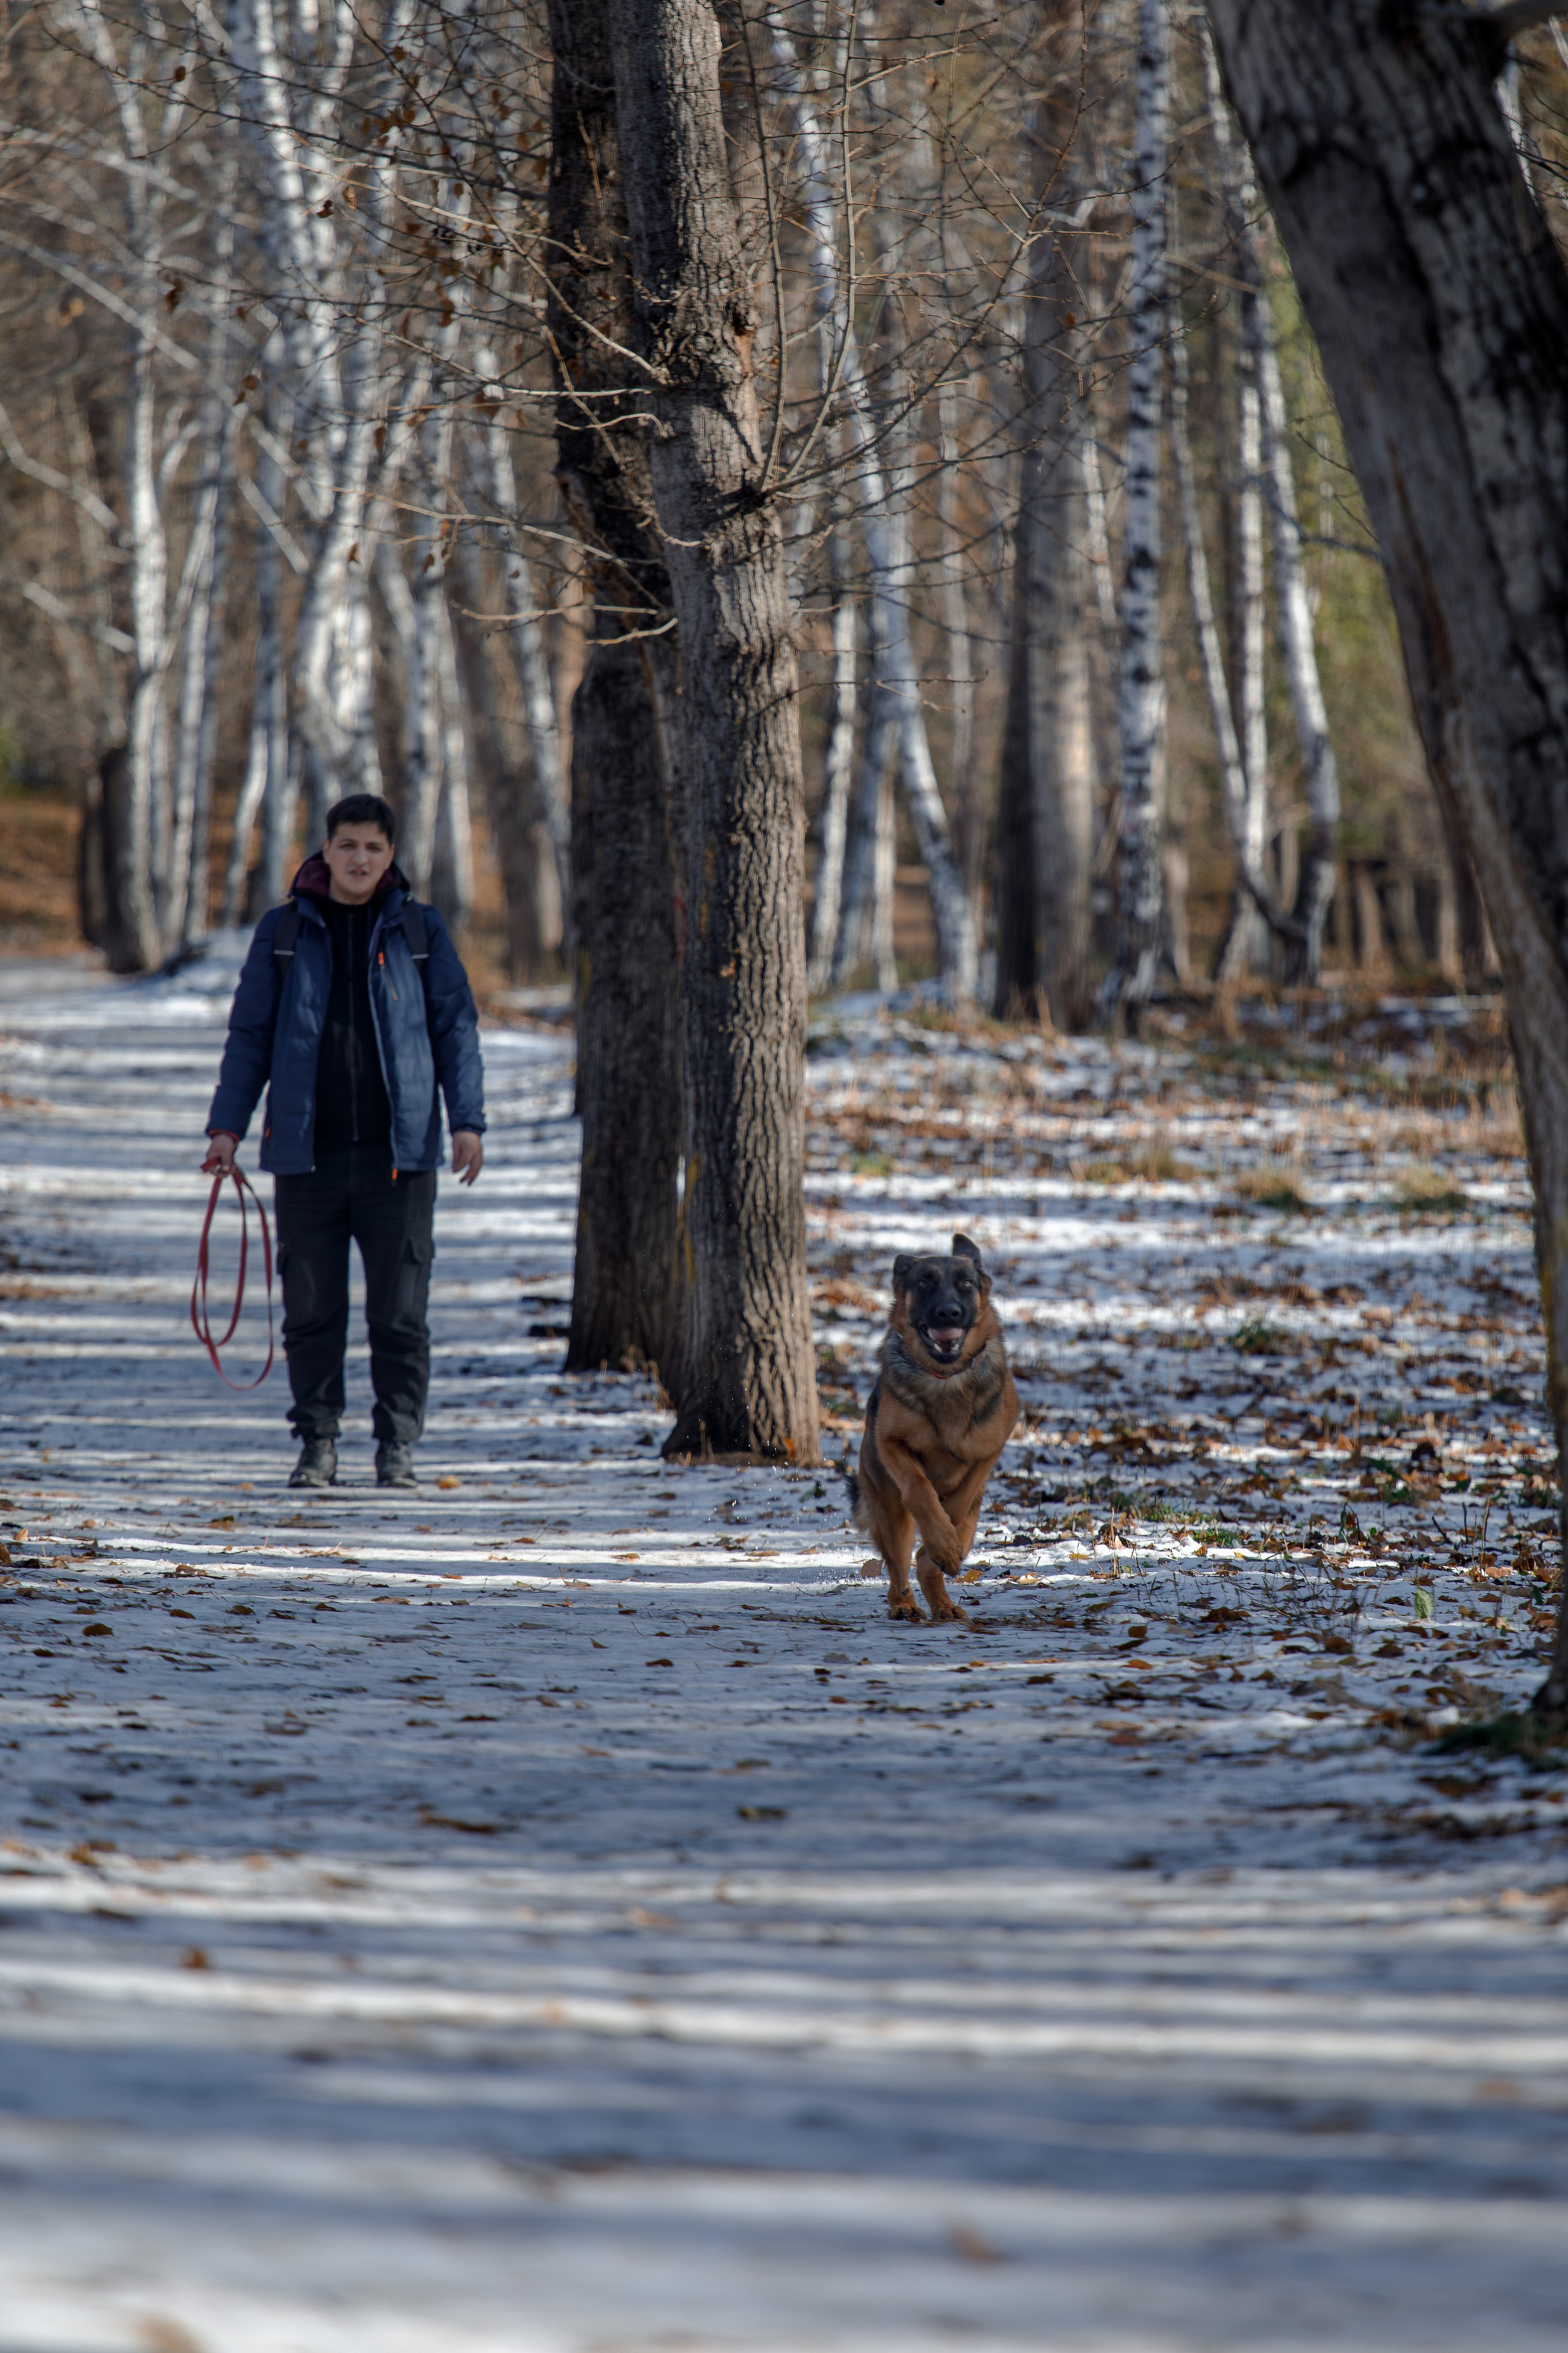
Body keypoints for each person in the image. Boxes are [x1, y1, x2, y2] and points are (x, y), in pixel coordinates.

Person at [202, 794, 486, 1490]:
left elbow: (455, 1029)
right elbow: (250, 1037)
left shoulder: (419, 929)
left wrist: (467, 1120)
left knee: (400, 1315)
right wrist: (227, 1126)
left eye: (374, 848)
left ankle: (397, 1445)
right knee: (311, 1313)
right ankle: (318, 1443)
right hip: (307, 1158)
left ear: (391, 857)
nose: (361, 859)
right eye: (349, 845)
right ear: (325, 849)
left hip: (400, 1160)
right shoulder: (284, 931)